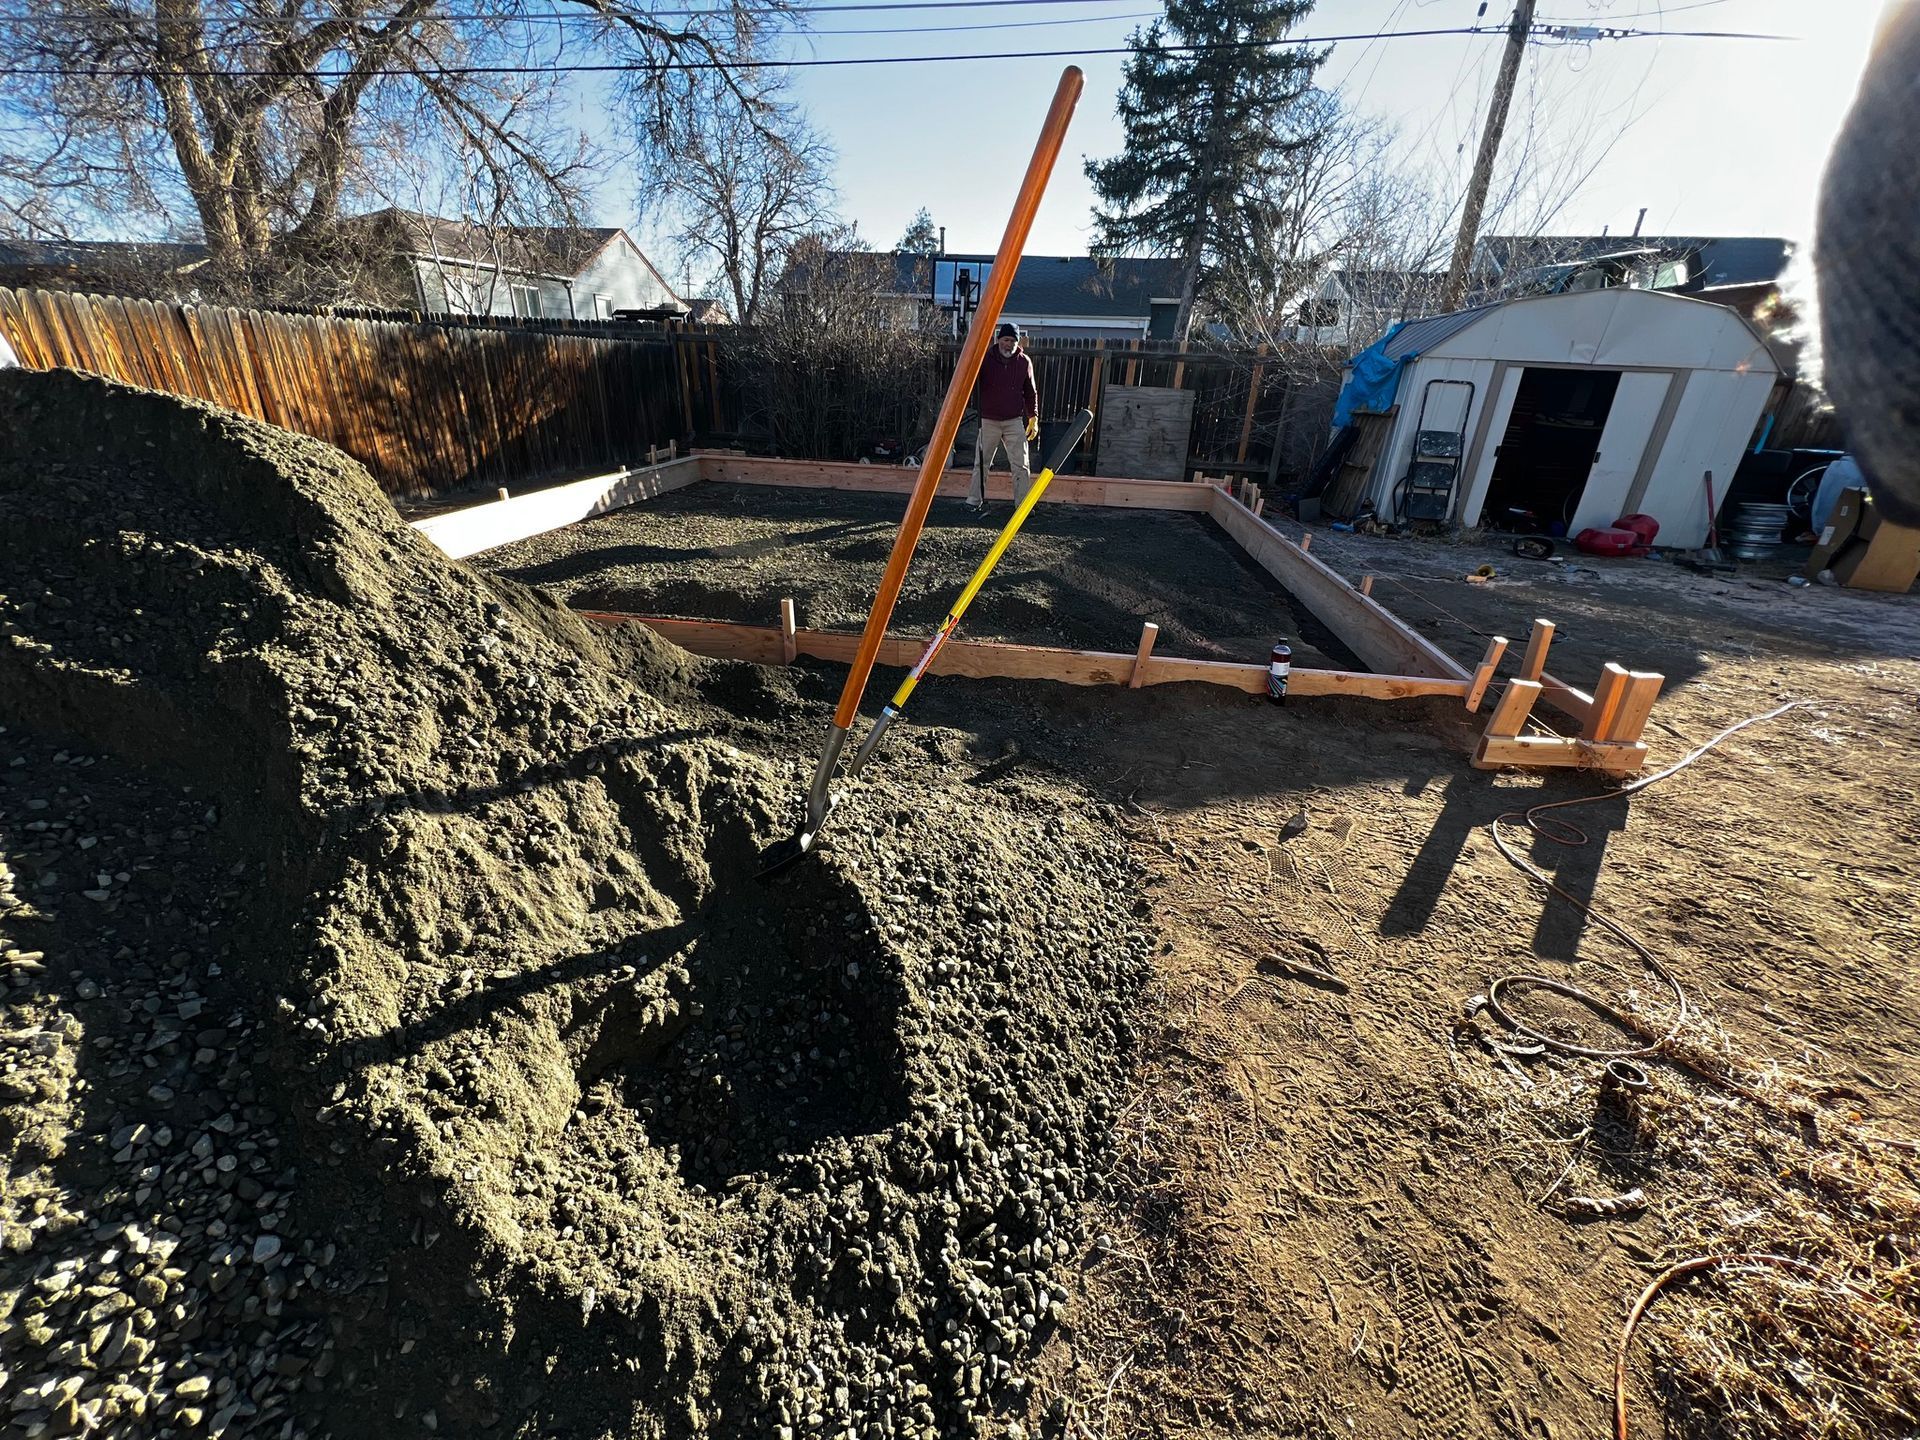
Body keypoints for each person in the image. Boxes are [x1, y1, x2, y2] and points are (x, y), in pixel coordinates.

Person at [967, 322, 1039, 513]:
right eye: (1006, 340)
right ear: (999, 340)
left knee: (1021, 465)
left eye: (1013, 341)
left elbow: (1030, 392)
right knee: (981, 462)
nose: (1009, 344)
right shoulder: (985, 359)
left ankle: (1023, 506)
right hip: (989, 419)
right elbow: (968, 381)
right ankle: (974, 501)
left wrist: (1033, 417)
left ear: (1018, 342)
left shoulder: (1024, 362)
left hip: (1014, 421)